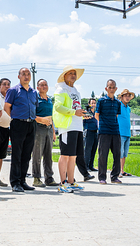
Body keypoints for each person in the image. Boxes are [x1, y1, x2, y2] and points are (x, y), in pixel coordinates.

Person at [52, 65, 87, 193]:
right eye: (70, 73)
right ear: (64, 76)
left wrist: (82, 114)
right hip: (67, 126)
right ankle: (63, 182)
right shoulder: (61, 89)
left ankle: (71, 181)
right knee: (65, 155)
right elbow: (58, 107)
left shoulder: (75, 90)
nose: (73, 75)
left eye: (74, 73)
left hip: (77, 125)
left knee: (74, 156)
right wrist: (73, 112)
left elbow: (76, 107)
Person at [4, 68, 38, 192]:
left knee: (27, 154)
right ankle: (15, 182)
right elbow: (7, 106)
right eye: (23, 74)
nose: (26, 76)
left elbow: (35, 107)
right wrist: (13, 118)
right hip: (18, 124)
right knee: (17, 154)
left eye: (28, 74)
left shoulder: (34, 92)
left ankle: (23, 181)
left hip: (31, 124)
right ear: (18, 76)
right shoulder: (13, 90)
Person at [31, 79, 58, 187]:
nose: (44, 86)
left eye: (45, 85)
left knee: (48, 155)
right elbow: (32, 115)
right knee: (37, 155)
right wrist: (42, 120)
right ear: (37, 87)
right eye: (41, 85)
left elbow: (51, 117)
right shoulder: (35, 99)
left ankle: (49, 178)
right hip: (39, 129)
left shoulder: (50, 100)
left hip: (49, 129)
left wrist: (53, 131)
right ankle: (36, 178)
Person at [95, 79, 122, 184]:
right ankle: (102, 177)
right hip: (104, 131)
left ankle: (114, 176)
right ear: (106, 88)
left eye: (113, 87)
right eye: (109, 87)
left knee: (117, 154)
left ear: (116, 89)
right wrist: (104, 123)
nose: (111, 89)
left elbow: (116, 115)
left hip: (115, 131)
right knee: (103, 155)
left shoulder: (117, 103)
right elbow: (96, 115)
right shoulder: (101, 101)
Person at [0, 77, 12, 187]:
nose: (7, 86)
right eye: (4, 84)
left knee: (1, 156)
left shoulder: (11, 97)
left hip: (6, 129)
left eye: (8, 84)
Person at [117, 89, 135, 177]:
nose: (127, 97)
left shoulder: (129, 108)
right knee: (119, 152)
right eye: (125, 96)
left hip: (127, 133)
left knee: (124, 153)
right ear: (121, 97)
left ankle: (122, 170)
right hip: (120, 133)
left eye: (129, 96)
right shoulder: (118, 105)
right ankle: (117, 171)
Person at [83, 98, 99, 171]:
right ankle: (85, 166)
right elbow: (83, 122)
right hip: (88, 131)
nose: (93, 104)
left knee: (94, 149)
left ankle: (91, 166)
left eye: (94, 103)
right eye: (92, 103)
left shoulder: (96, 113)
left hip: (96, 132)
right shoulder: (86, 112)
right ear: (89, 104)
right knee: (87, 150)